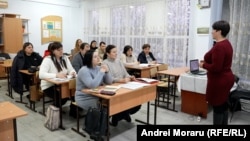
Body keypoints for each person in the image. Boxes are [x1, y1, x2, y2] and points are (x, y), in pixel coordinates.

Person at [199, 20, 234, 125]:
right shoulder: (225, 43)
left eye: (213, 29)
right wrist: (207, 61)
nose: (212, 32)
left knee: (218, 107)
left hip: (219, 80)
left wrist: (203, 65)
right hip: (226, 78)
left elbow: (216, 67)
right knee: (223, 106)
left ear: (219, 31)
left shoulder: (219, 47)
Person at [75, 50, 112, 140]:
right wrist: (101, 72)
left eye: (98, 56)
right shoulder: (84, 70)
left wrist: (106, 71)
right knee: (100, 105)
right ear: (89, 59)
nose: (98, 58)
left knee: (108, 104)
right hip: (83, 97)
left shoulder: (98, 68)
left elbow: (109, 82)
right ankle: (95, 131)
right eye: (95, 57)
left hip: (95, 94)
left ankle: (101, 128)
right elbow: (92, 85)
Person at [102, 44, 141, 127]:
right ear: (108, 54)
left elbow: (125, 73)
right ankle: (119, 115)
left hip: (123, 85)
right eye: (114, 52)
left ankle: (122, 114)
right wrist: (121, 80)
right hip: (113, 87)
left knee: (137, 102)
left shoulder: (119, 61)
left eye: (116, 52)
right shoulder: (105, 63)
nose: (116, 53)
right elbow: (108, 80)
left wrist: (130, 77)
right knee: (122, 101)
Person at [39, 41, 77, 117]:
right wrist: (56, 75)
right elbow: (41, 75)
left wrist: (72, 72)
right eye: (58, 50)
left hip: (63, 84)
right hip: (49, 85)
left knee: (74, 93)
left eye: (62, 49)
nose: (61, 51)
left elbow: (71, 69)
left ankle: (73, 112)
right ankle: (53, 111)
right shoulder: (48, 60)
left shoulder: (65, 58)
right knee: (62, 97)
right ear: (53, 51)